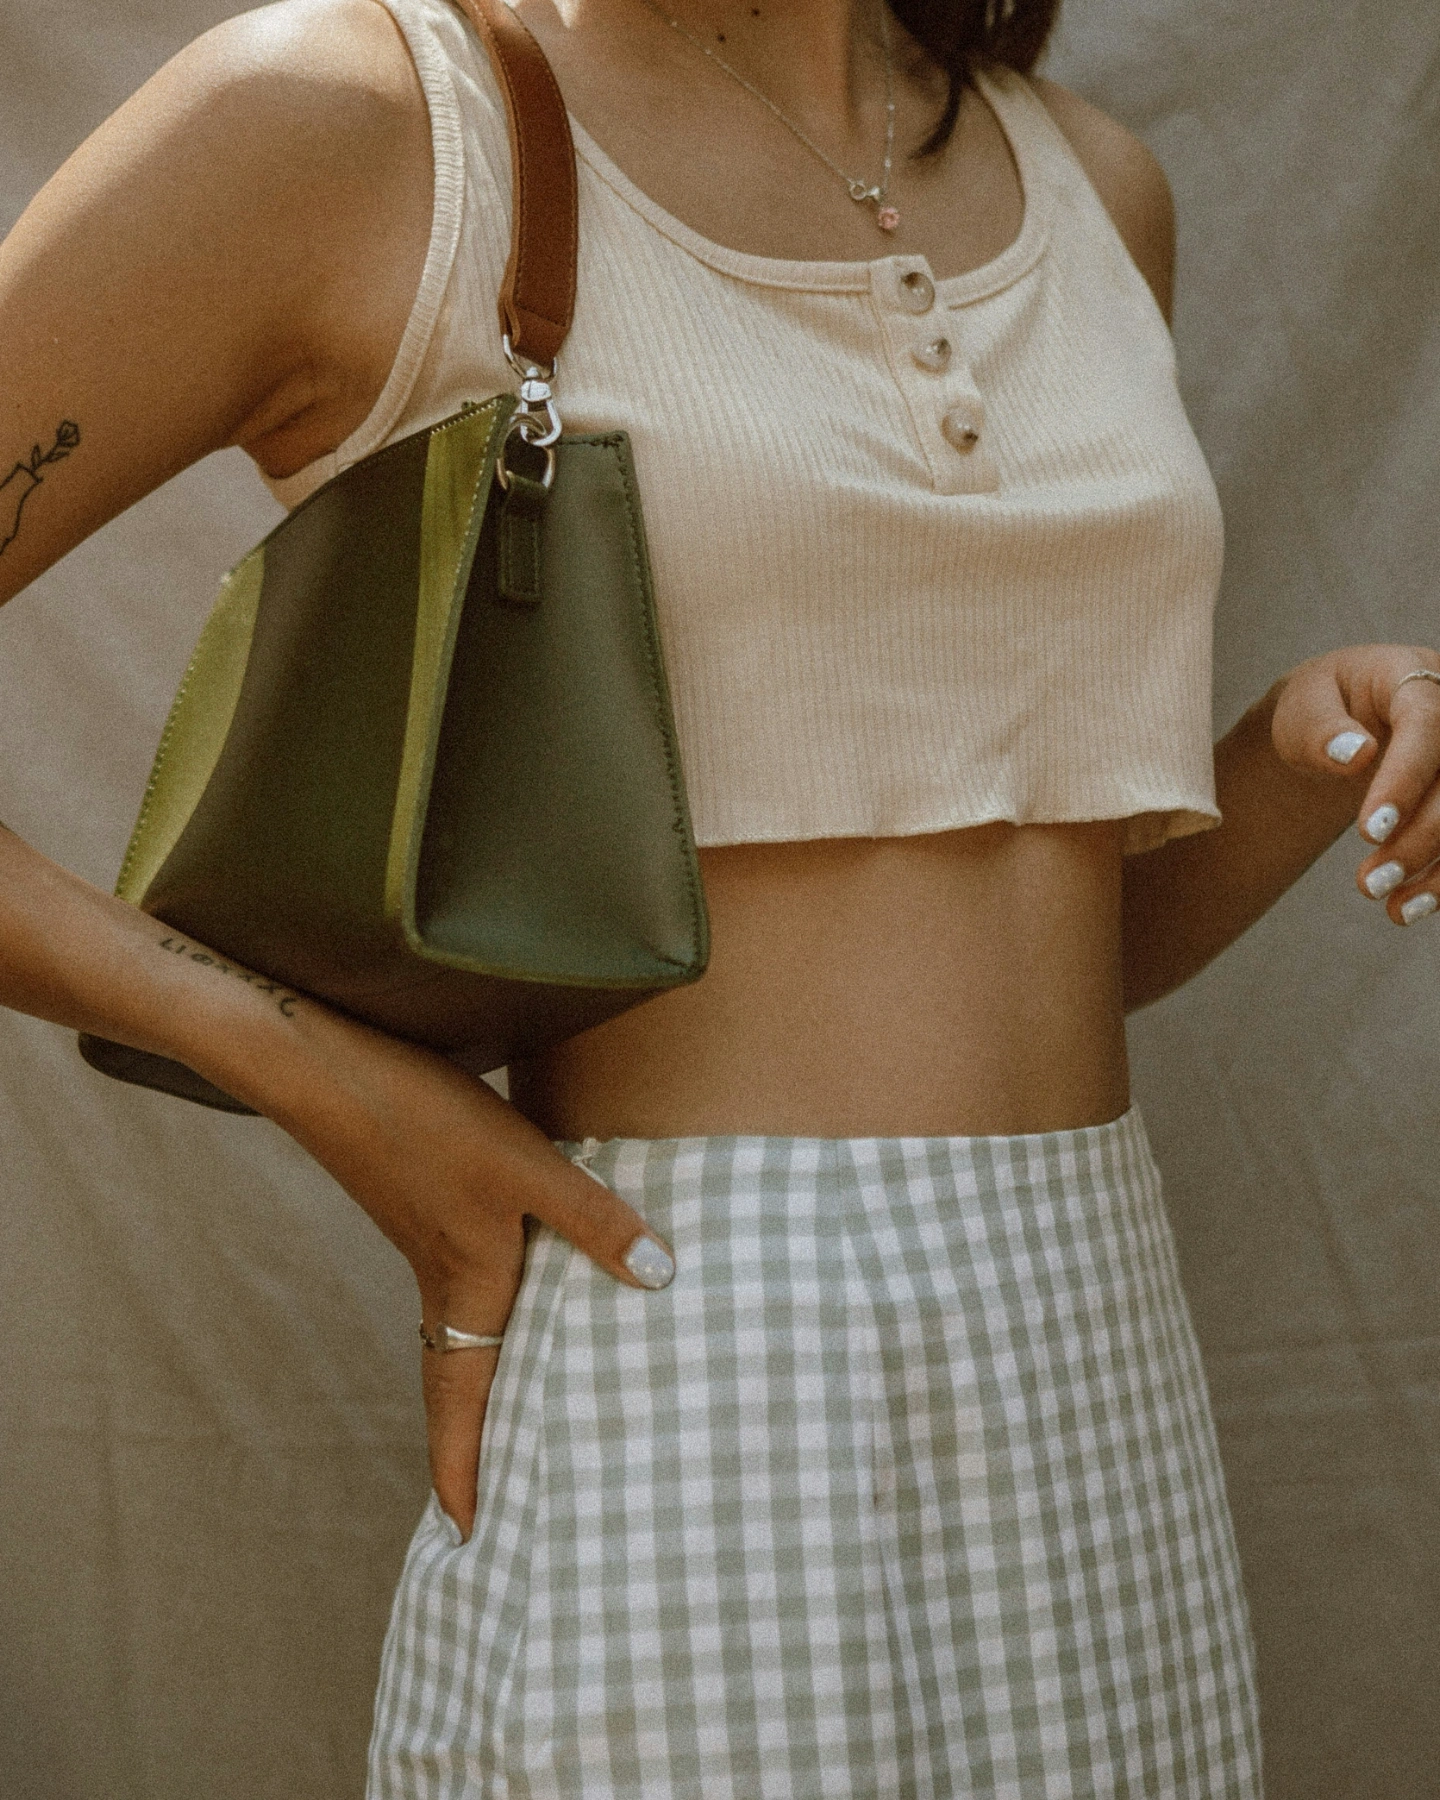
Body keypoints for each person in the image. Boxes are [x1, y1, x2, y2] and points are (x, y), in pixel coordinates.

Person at [2, 0, 1437, 1791]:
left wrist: (1296, 752)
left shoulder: (1095, 185)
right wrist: (332, 1080)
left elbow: (1024, 946)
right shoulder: (368, 121)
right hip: (689, 1340)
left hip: (1097, 1354)